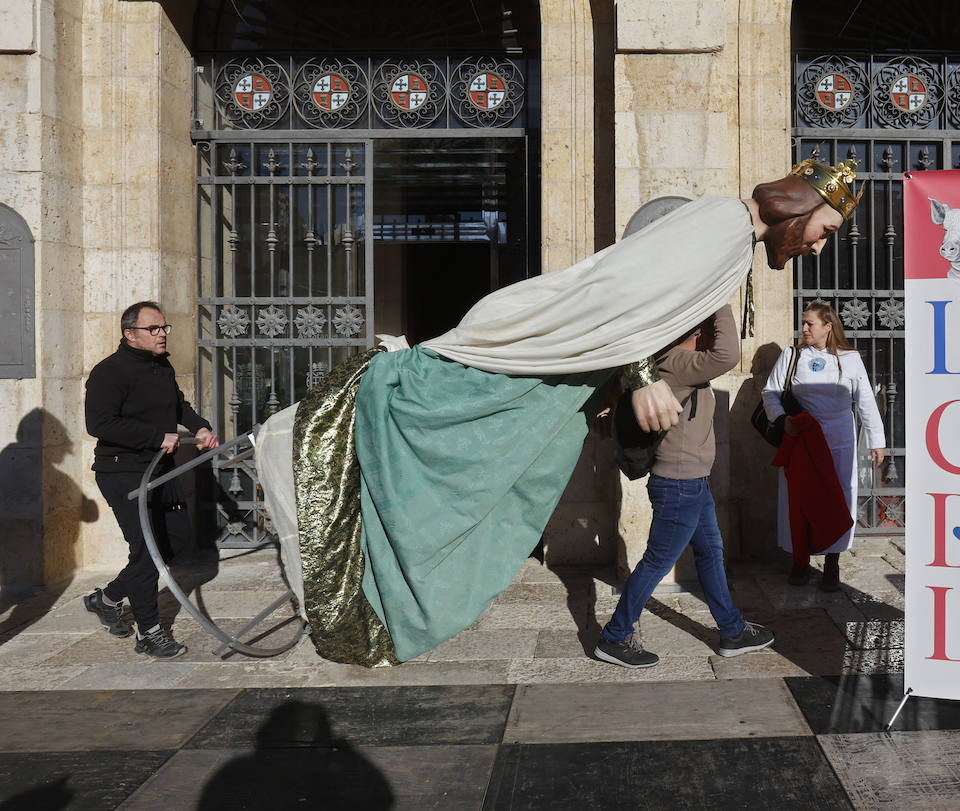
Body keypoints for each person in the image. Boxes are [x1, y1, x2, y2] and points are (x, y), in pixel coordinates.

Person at [254, 158, 863, 666]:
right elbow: (624, 288)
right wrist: (643, 375)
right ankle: (341, 424)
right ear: (798, 208)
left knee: (503, 448)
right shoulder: (726, 228)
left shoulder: (733, 239)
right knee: (461, 410)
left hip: (577, 366)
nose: (820, 243)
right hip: (560, 343)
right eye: (826, 229)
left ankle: (726, 626)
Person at [595, 305, 774, 668]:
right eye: (707, 328)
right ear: (696, 330)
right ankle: (614, 636)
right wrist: (720, 299)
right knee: (657, 561)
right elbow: (728, 354)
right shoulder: (675, 362)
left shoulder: (679, 363)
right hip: (679, 485)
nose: (712, 336)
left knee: (710, 553)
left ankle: (732, 631)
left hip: (692, 483)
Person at [84, 301, 221, 659]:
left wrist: (200, 426)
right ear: (130, 334)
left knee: (175, 539)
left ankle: (108, 597)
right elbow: (99, 424)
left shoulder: (161, 366)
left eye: (164, 328)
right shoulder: (109, 372)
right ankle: (150, 632)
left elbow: (178, 406)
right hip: (123, 472)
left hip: (160, 469)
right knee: (146, 552)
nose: (162, 334)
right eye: (154, 329)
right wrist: (155, 436)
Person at [762, 300, 885, 591]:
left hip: (839, 438)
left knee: (838, 496)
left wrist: (877, 440)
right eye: (803, 323)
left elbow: (865, 400)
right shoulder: (791, 356)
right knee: (800, 497)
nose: (803, 328)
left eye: (810, 323)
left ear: (827, 327)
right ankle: (800, 561)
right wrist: (783, 420)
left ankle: (832, 561)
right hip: (803, 438)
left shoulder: (851, 358)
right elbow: (771, 393)